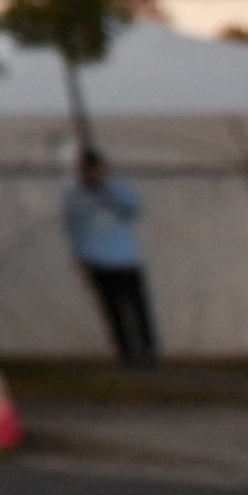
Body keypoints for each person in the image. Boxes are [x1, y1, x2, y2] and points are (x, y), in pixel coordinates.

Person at [63, 148, 157, 365]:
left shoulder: (117, 189)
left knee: (136, 306)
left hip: (125, 258)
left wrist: (107, 190)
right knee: (112, 309)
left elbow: (134, 209)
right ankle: (126, 352)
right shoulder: (74, 195)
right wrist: (79, 255)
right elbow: (73, 227)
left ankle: (148, 350)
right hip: (98, 261)